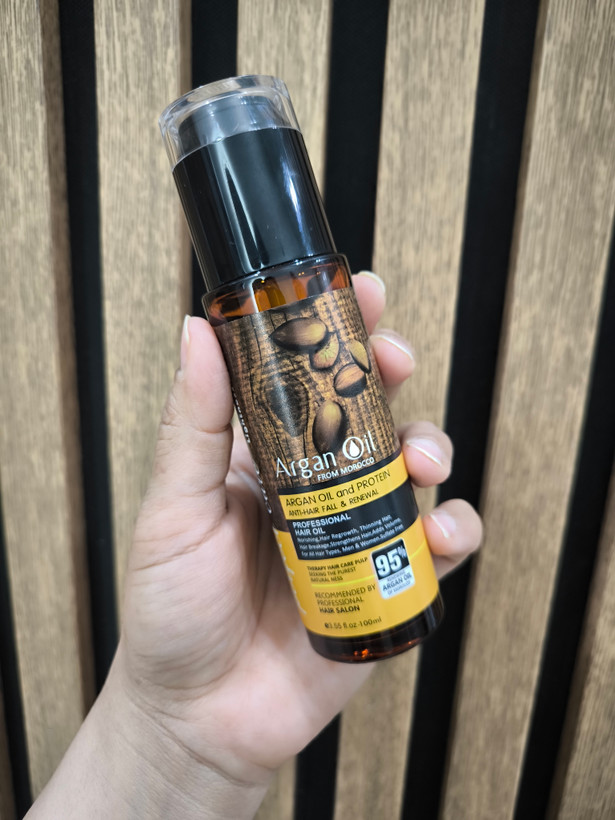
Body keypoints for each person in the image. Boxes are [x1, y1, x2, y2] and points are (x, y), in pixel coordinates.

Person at [28, 272, 482, 818]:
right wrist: (165, 730)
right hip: (296, 580)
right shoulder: (247, 312)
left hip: (362, 563)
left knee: (377, 436)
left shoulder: (323, 294)